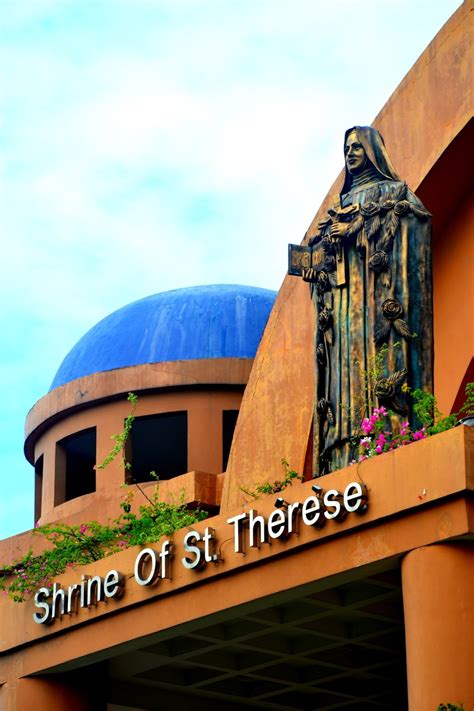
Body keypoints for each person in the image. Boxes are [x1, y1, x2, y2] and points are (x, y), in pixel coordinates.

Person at [303, 126, 432, 474]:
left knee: (375, 368)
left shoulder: (394, 191)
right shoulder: (336, 207)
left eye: (357, 147)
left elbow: (413, 223)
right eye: (347, 148)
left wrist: (358, 227)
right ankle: (343, 449)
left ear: (373, 151)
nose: (351, 153)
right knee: (344, 377)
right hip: (343, 308)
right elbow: (317, 260)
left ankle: (386, 434)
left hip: (375, 299)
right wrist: (320, 256)